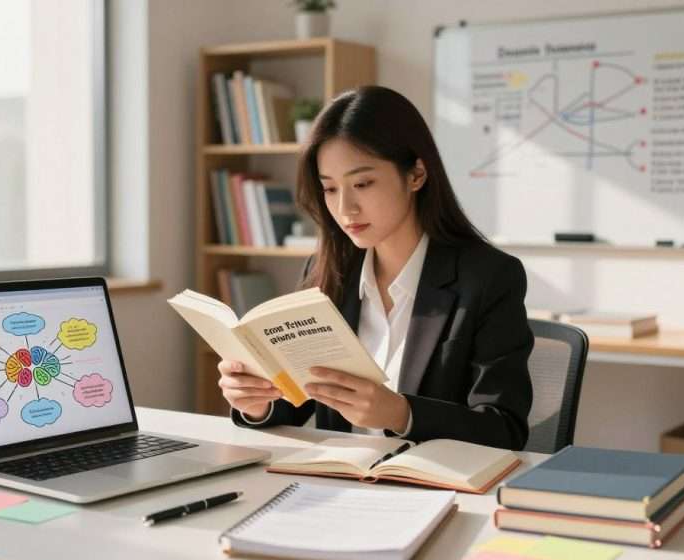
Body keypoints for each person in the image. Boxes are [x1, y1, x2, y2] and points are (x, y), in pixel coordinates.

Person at [218, 86, 533, 450]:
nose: (345, 208)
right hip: (337, 484)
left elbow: (505, 430)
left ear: (416, 174)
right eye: (330, 189)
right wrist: (257, 404)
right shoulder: (329, 270)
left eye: (363, 184)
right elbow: (295, 405)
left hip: (431, 489)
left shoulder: (489, 277)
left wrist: (401, 414)